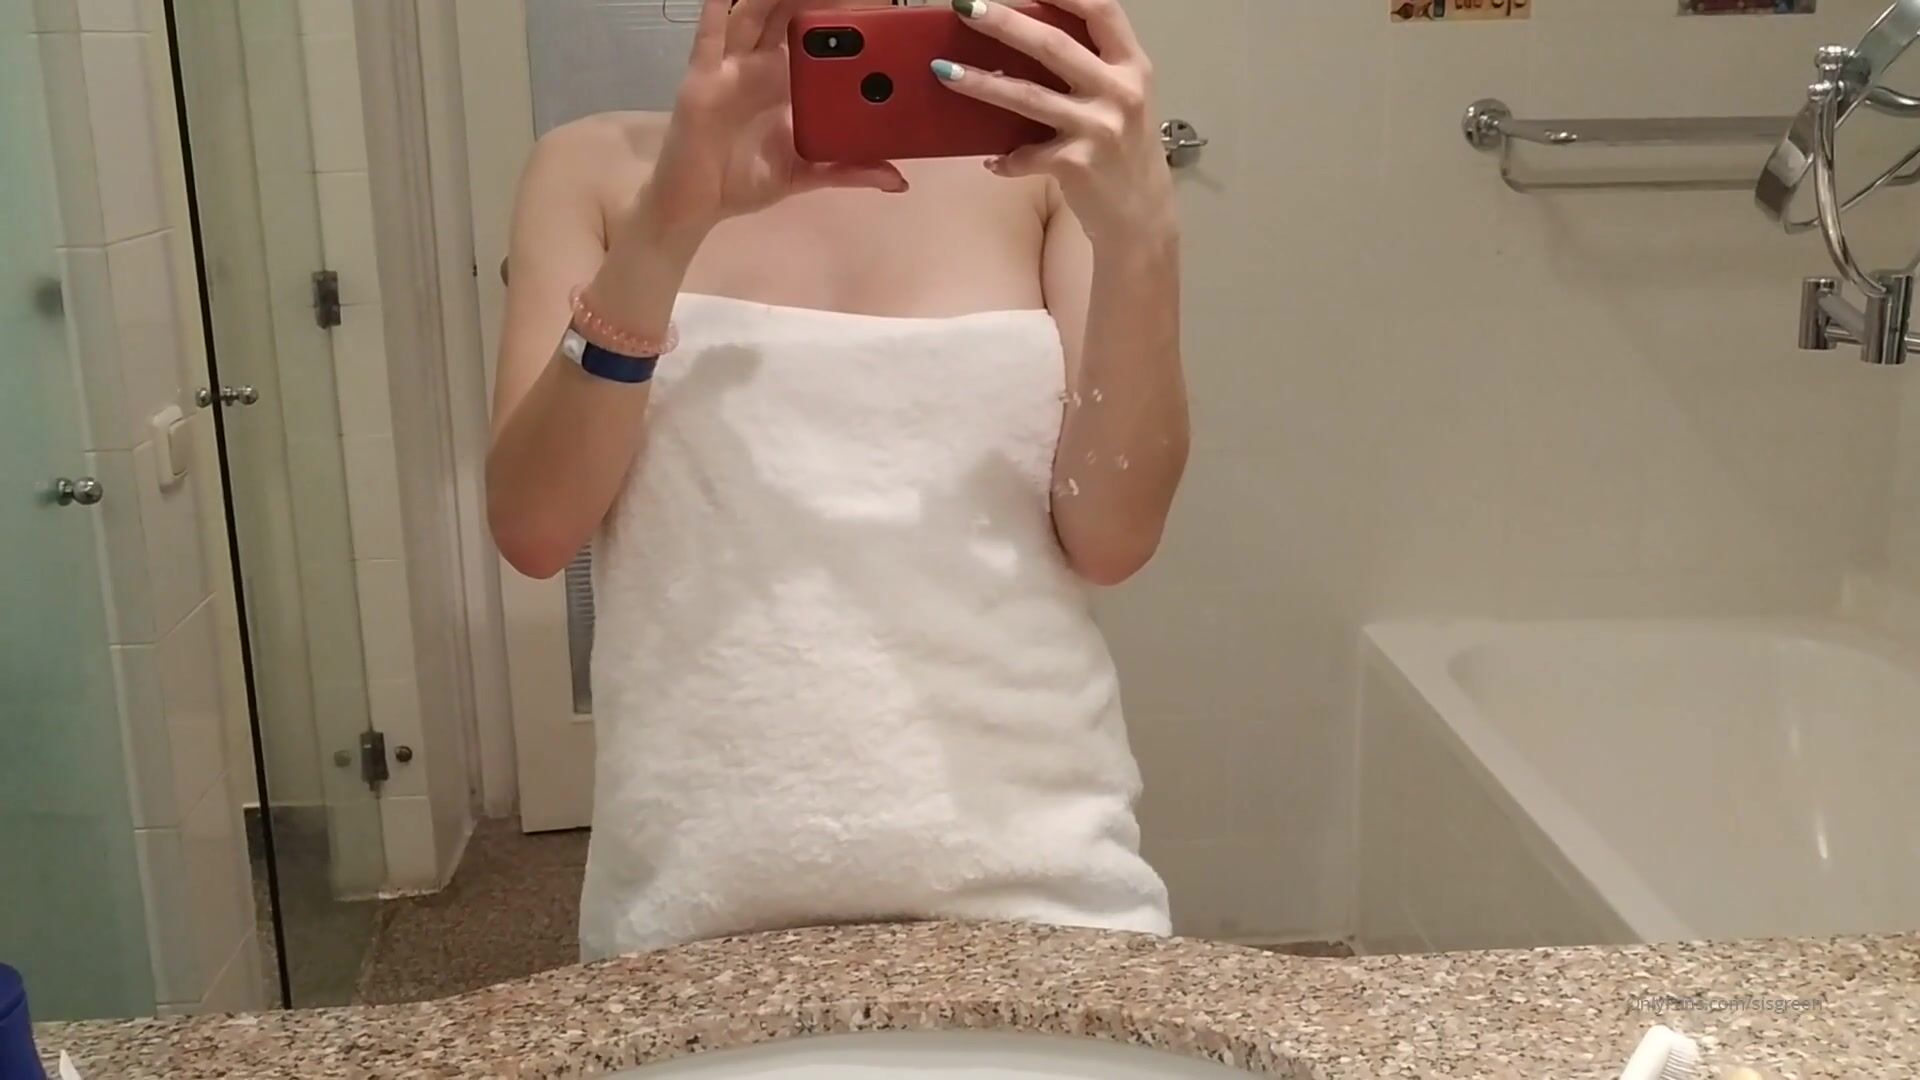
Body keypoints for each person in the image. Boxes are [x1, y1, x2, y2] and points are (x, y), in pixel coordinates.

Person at [487, 0, 1190, 960]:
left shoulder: (1042, 173)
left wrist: (1144, 238)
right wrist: (664, 232)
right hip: (698, 891)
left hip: (1040, 873)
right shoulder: (591, 170)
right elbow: (535, 529)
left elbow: (1114, 538)